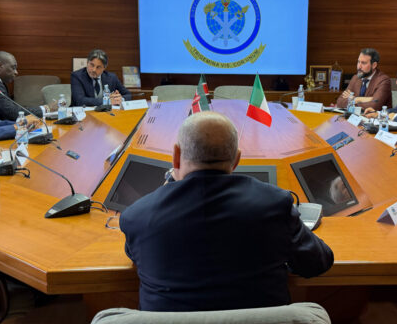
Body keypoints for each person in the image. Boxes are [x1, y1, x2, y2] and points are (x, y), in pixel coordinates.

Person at [120, 111, 334, 312]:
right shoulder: (275, 204)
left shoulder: (137, 216)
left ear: (176, 156)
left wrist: (169, 187)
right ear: (236, 160)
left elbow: (136, 255)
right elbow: (318, 263)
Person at [0, 51, 54, 121]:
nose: (16, 72)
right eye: (13, 68)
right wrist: (46, 108)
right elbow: (12, 112)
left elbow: (13, 108)